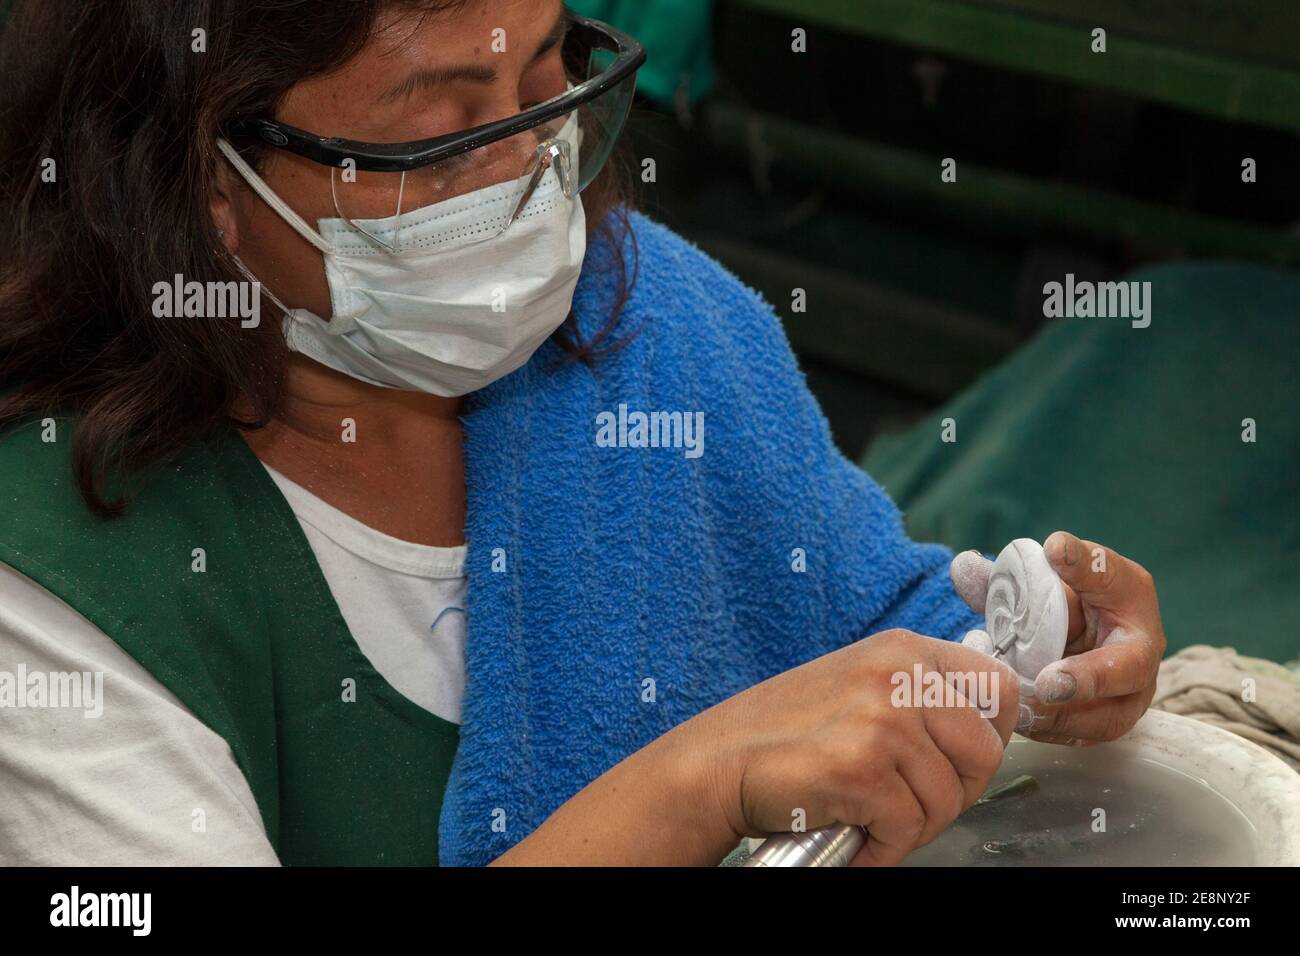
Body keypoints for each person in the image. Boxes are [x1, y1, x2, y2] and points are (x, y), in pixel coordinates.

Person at [0, 0, 1165, 866]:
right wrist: (695, 789)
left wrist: (1042, 648)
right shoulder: (63, 574)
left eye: (549, 69)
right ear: (208, 175)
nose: (529, 177)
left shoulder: (650, 320)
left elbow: (865, 617)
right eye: (444, 127)